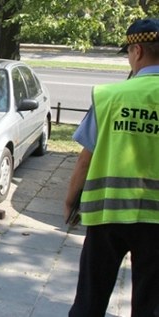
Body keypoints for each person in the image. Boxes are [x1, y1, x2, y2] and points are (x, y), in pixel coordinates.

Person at [64, 18, 159, 317]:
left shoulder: (110, 97)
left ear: (138, 51)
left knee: (90, 298)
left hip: (107, 215)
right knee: (151, 302)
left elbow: (85, 158)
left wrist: (70, 201)